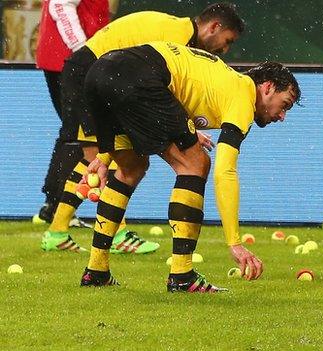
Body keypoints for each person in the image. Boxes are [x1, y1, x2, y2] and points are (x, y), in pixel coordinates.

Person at [80, 41, 300, 292]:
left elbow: (173, 97)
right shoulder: (244, 93)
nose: (282, 117)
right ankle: (182, 276)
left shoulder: (218, 80)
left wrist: (105, 158)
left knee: (131, 167)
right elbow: (224, 172)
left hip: (100, 72)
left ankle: (96, 271)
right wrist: (234, 243)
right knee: (196, 164)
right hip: (138, 75)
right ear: (268, 87)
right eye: (285, 105)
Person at [41, 3, 245, 254]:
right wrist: (184, 128)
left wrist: (184, 126)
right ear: (214, 27)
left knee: (97, 157)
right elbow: (158, 89)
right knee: (114, 155)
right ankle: (113, 234)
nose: (224, 50)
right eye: (227, 41)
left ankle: (58, 231)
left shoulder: (178, 29)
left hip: (94, 72)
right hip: (91, 72)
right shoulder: (177, 36)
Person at [35, 0, 110, 226]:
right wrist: (82, 49)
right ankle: (56, 205)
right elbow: (60, 5)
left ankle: (53, 203)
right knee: (78, 131)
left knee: (73, 130)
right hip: (70, 60)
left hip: (63, 58)